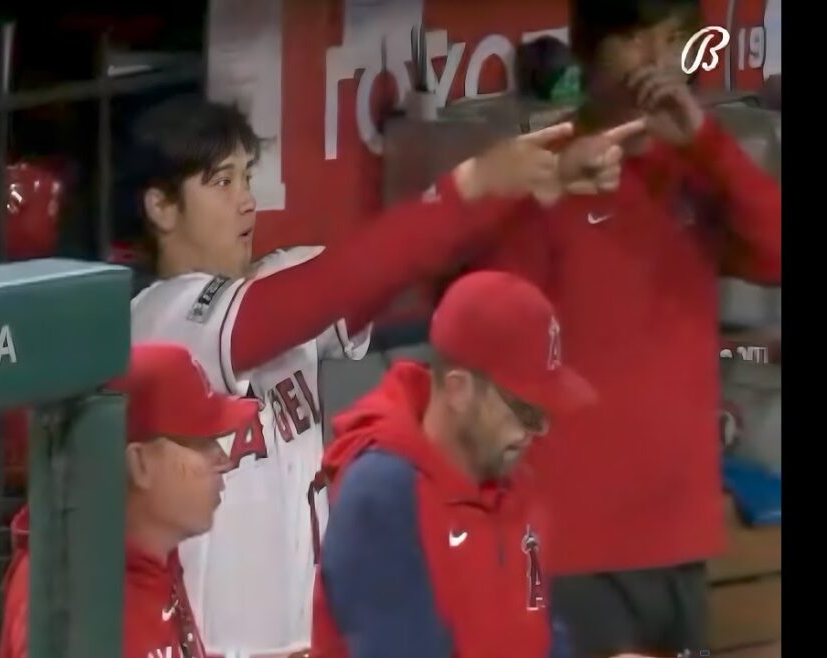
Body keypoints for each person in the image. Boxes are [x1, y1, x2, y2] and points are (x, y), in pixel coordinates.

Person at [126, 95, 642, 657]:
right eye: (221, 183)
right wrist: (470, 185)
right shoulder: (161, 322)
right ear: (162, 208)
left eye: (247, 177)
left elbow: (394, 262)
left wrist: (532, 187)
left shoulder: (278, 282)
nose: (247, 201)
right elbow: (331, 286)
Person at [449, 1, 782, 655]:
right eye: (635, 40)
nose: (657, 63)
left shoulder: (698, 171)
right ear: (586, 50)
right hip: (573, 545)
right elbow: (486, 325)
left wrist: (706, 143)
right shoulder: (541, 171)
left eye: (672, 40)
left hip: (677, 533)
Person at [309, 270, 598, 658]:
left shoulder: (517, 486)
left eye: (544, 412)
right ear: (459, 389)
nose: (538, 430)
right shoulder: (383, 498)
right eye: (524, 409)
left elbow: (543, 640)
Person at [0, 343, 259, 658]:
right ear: (140, 464)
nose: (225, 461)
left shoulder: (152, 551)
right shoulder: (69, 603)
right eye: (202, 443)